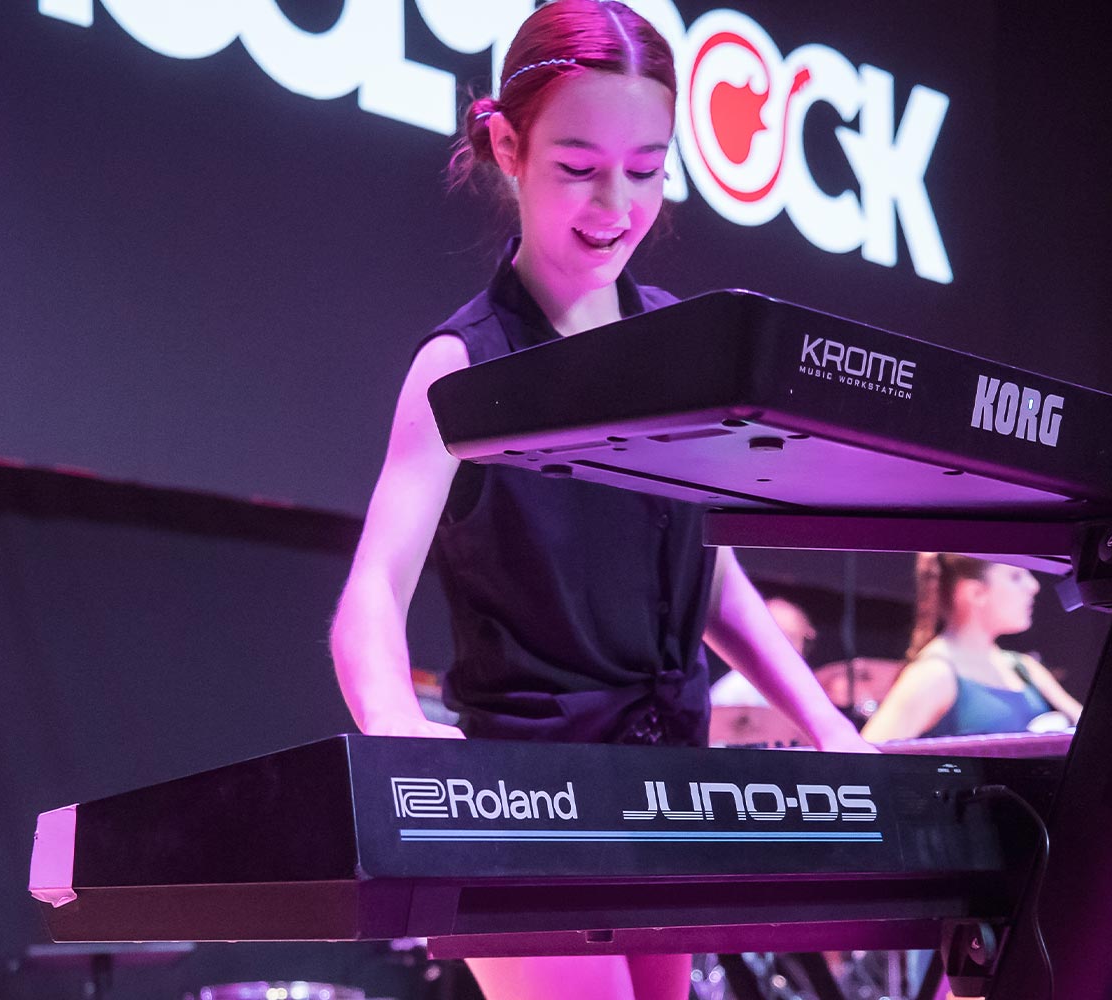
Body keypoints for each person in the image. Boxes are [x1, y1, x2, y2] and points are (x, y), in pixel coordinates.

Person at [327, 5, 873, 998]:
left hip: (667, 782)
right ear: (506, 144)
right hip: (523, 796)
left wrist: (825, 722)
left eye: (644, 167)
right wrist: (395, 727)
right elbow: (371, 592)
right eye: (577, 166)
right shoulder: (460, 368)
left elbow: (708, 577)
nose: (612, 201)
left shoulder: (678, 347)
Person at [862, 553, 1083, 741]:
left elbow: (1091, 731)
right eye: (1015, 576)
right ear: (975, 593)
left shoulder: (1022, 666)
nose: (1033, 586)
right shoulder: (935, 673)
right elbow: (862, 754)